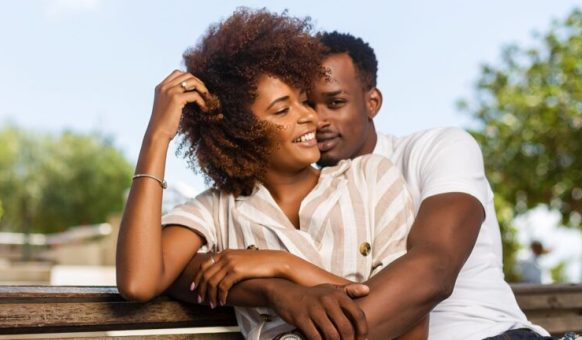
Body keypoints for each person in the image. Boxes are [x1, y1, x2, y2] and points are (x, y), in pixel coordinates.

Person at [169, 31, 553, 339]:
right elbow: (164, 272)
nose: (315, 119)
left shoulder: (437, 148)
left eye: (334, 103)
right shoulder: (301, 197)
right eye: (304, 102)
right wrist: (274, 287)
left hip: (489, 333)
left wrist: (281, 265)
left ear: (372, 102)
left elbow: (433, 270)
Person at [116, 9, 426, 340]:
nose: (308, 116)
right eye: (282, 110)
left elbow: (406, 313)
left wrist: (282, 265)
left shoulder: (371, 178)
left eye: (304, 101)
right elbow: (138, 282)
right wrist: (157, 137)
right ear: (239, 132)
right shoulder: (220, 209)